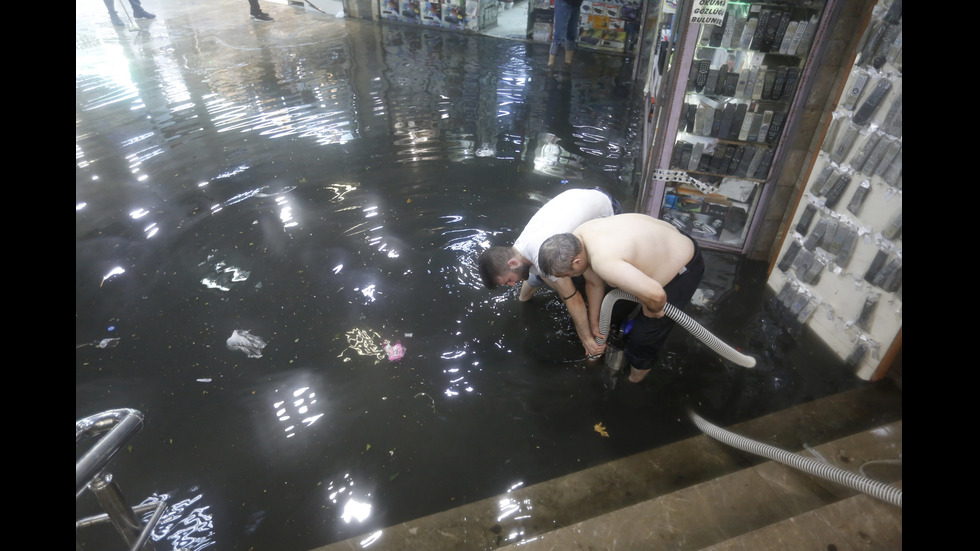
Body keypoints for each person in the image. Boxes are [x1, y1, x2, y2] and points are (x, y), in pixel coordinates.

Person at [538, 213, 705, 383]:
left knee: (644, 337)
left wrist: (652, 309)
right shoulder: (579, 236)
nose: (566, 278)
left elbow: (657, 294)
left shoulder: (605, 263)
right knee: (614, 310)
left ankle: (633, 380)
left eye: (565, 274)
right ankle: (617, 340)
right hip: (664, 242)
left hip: (682, 265)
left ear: (576, 262)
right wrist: (595, 323)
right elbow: (594, 283)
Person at [478, 188, 621, 358]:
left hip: (605, 210)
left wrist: (586, 339)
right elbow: (535, 274)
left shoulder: (541, 252)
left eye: (508, 280)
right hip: (583, 196)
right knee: (541, 277)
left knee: (584, 278)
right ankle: (524, 300)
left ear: (513, 263)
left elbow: (573, 298)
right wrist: (523, 301)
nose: (511, 285)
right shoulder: (520, 250)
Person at [549, 0, 584, 68]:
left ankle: (568, 63)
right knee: (559, 35)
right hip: (563, 3)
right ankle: (550, 65)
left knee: (572, 34)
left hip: (576, 4)